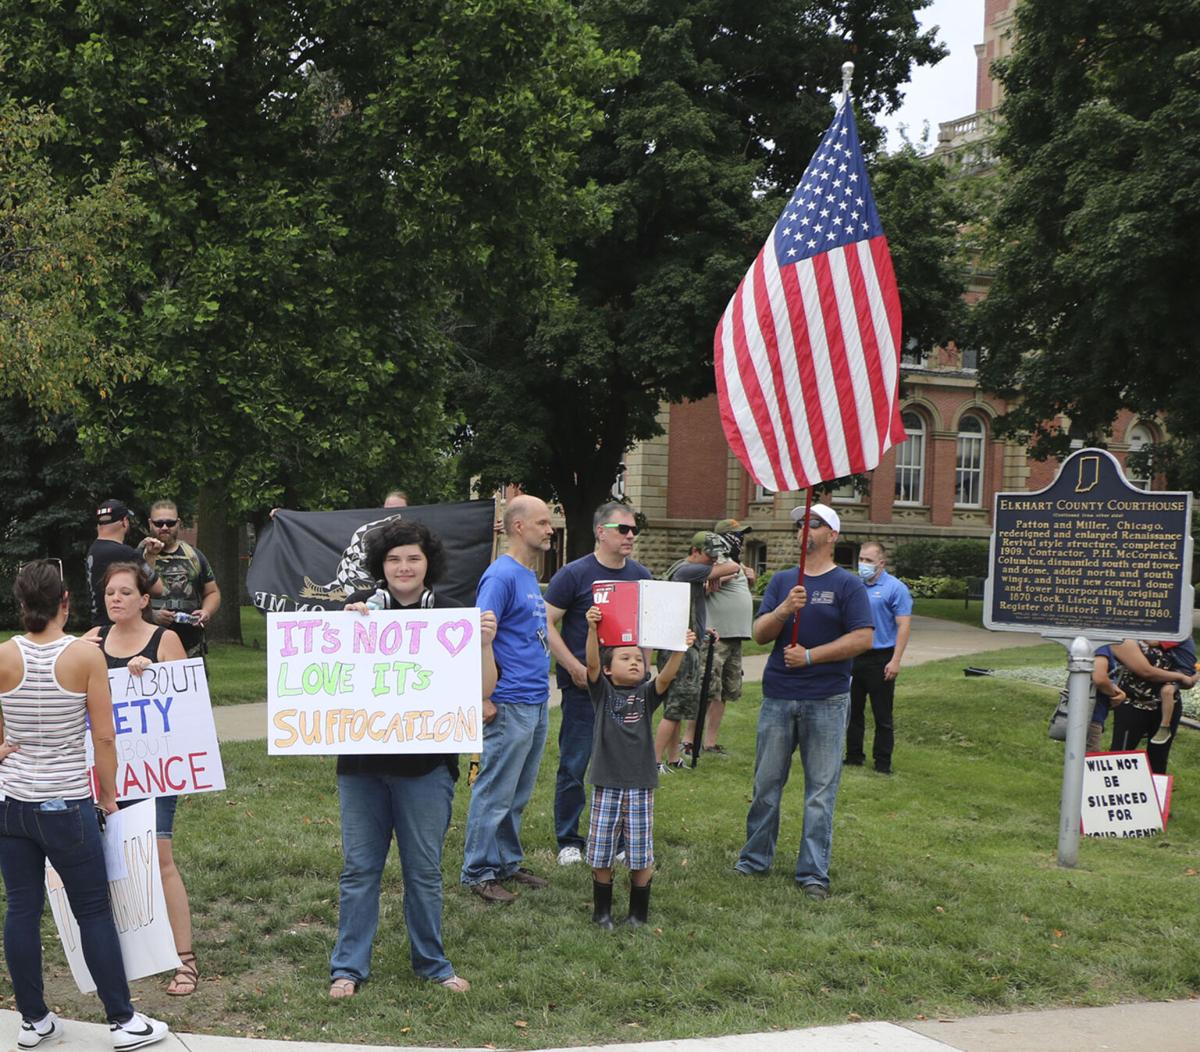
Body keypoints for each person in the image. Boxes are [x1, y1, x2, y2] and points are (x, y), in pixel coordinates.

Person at [0, 560, 169, 1050]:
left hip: (12, 804)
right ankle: (122, 1020)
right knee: (93, 910)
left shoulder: (4, 656)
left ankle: (33, 1021)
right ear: (64, 602)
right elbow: (103, 737)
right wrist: (110, 796)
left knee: (22, 910)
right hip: (66, 804)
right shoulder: (84, 656)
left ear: (21, 603)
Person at [329, 519, 497, 997]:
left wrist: (484, 644)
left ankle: (433, 964)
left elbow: (483, 690)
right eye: (394, 559)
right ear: (381, 566)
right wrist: (345, 629)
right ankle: (348, 967)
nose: (403, 567)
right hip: (361, 767)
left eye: (413, 558)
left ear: (429, 565)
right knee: (359, 869)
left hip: (426, 768)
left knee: (423, 872)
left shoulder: (453, 617)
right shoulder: (356, 618)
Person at [734, 504, 873, 898]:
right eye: (799, 523)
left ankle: (813, 873)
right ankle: (754, 859)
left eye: (813, 522)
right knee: (766, 785)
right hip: (779, 697)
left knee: (819, 792)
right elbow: (759, 634)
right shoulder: (782, 582)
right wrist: (782, 610)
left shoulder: (848, 585)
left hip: (827, 700)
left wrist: (811, 656)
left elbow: (863, 638)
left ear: (832, 535)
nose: (803, 528)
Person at [84, 564, 196, 996]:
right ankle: (133, 953)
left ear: (144, 599)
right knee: (114, 860)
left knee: (160, 857)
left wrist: (153, 674)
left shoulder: (164, 639)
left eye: (125, 592)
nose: (116, 599)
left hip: (153, 770)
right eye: (110, 592)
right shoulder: (92, 641)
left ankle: (185, 960)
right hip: (106, 772)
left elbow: (186, 703)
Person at [544, 502, 652, 866]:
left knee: (624, 766)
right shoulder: (574, 575)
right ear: (600, 532)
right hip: (583, 690)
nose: (630, 536)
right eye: (623, 529)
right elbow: (545, 623)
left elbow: (647, 628)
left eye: (633, 530)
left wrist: (645, 666)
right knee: (575, 764)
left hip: (627, 696)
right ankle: (569, 840)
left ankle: (620, 840)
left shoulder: (641, 576)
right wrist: (572, 665)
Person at [460, 495, 555, 903]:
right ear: (518, 527)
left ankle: (505, 863)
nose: (550, 529)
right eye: (543, 522)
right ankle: (478, 871)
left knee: (517, 792)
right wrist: (482, 697)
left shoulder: (527, 576)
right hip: (508, 701)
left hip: (535, 701)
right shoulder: (500, 577)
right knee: (495, 790)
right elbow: (478, 635)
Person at [583, 606, 692, 929]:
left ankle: (637, 914)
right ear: (607, 670)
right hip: (606, 784)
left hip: (641, 786)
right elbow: (589, 664)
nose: (634, 662)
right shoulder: (602, 693)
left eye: (639, 659)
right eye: (625, 658)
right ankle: (602, 912)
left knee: (640, 853)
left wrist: (679, 649)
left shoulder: (646, 695)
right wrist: (592, 630)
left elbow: (668, 676)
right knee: (601, 851)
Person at [653, 532, 740, 771]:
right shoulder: (687, 569)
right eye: (710, 556)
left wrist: (703, 630)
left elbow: (686, 607)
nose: (714, 561)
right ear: (695, 551)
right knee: (674, 708)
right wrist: (723, 563)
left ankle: (673, 758)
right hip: (680, 650)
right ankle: (654, 761)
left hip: (682, 642)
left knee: (678, 706)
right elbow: (734, 568)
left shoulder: (685, 570)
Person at [682, 518, 756, 757]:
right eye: (737, 536)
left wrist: (749, 580)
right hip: (715, 637)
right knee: (705, 688)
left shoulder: (735, 563)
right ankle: (688, 741)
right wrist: (724, 574)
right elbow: (697, 587)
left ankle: (710, 743)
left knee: (723, 691)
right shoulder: (717, 562)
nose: (741, 541)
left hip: (735, 636)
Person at [845, 541, 912, 775]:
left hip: (881, 657)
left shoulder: (896, 588)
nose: (863, 564)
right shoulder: (854, 586)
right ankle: (853, 756)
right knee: (853, 711)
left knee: (882, 714)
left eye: (869, 561)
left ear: (881, 563)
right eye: (861, 559)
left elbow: (903, 626)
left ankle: (882, 762)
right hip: (854, 655)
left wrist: (895, 660)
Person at [1103, 638, 1197, 773]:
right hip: (1134, 705)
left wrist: (1186, 679)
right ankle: (1115, 791)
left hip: (1168, 705)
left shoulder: (1174, 634)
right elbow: (1146, 671)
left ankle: (1155, 791)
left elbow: (1188, 671)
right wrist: (1181, 677)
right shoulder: (1124, 638)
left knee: (1159, 759)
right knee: (1120, 756)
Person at [144, 501, 221, 658]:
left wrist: (206, 611)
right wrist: (152, 614)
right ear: (150, 524)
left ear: (178, 524)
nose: (164, 527)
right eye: (159, 523)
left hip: (191, 645)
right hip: (150, 646)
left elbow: (212, 592)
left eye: (170, 523)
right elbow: (128, 597)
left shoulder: (194, 556)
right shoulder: (138, 556)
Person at [86, 499, 163, 627]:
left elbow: (141, 581)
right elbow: (157, 588)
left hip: (99, 626)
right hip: (119, 628)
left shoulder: (94, 549)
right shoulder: (124, 553)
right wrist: (150, 555)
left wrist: (146, 555)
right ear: (124, 522)